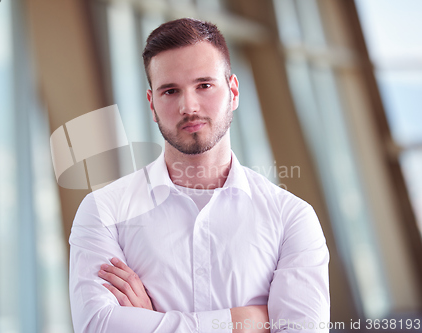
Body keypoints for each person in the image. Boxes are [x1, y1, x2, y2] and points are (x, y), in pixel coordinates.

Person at [69, 18, 330, 333]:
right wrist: (241, 322)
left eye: (204, 85)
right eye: (170, 91)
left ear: (233, 91)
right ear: (152, 105)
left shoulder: (292, 218)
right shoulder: (103, 211)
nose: (188, 106)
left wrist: (152, 323)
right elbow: (98, 325)